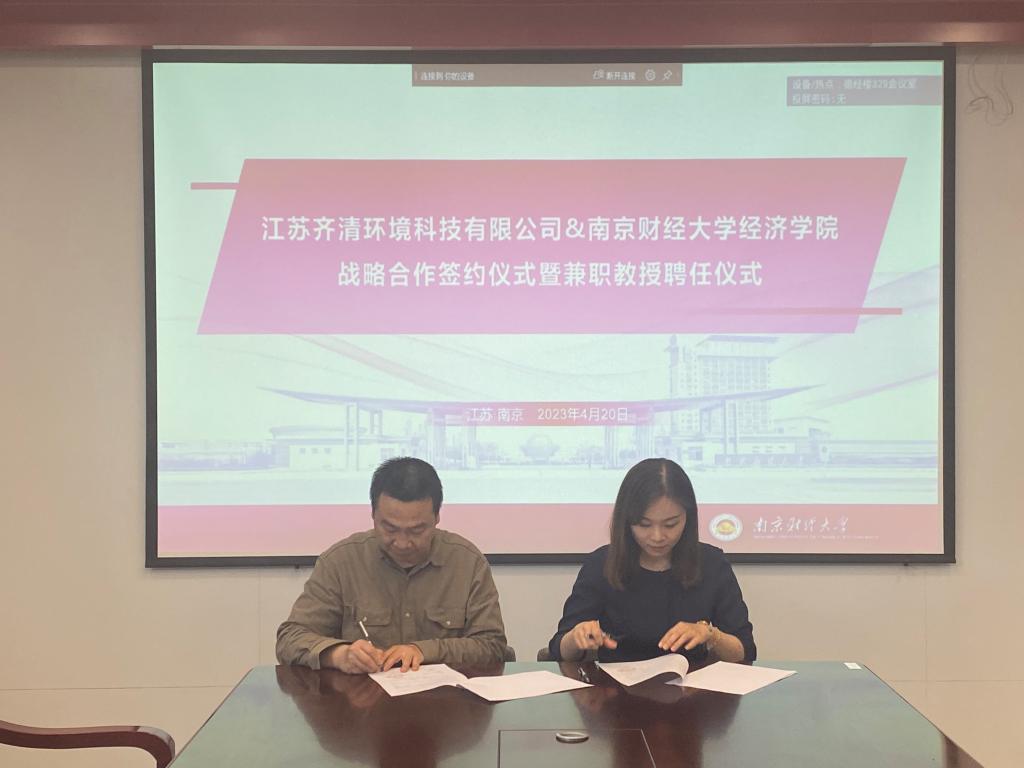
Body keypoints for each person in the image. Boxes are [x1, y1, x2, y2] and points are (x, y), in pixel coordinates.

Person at [276, 457, 508, 673]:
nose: (402, 543)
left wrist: (424, 651)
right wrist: (339, 655)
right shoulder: (341, 562)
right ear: (373, 514)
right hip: (360, 700)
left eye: (417, 530)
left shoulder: (467, 562)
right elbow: (290, 639)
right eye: (389, 529)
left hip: (447, 699)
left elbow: (492, 645)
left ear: (437, 517)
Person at [548, 458, 755, 665]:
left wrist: (710, 634)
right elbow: (559, 650)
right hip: (616, 683)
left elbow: (745, 651)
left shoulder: (712, 564)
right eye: (644, 524)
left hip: (692, 683)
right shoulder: (601, 564)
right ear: (626, 520)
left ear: (688, 517)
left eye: (670, 524)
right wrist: (576, 637)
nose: (657, 537)